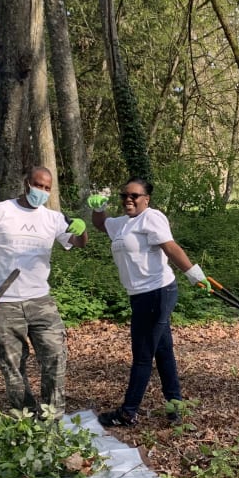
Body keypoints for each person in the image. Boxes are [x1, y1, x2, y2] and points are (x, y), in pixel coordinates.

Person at [0, 166, 88, 418]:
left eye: (47, 188)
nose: (41, 191)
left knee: (55, 357)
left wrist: (81, 231)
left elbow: (76, 243)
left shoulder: (53, 218)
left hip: (40, 300)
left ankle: (52, 416)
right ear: (26, 182)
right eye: (38, 185)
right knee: (11, 365)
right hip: (3, 302)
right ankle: (25, 416)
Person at [87, 177, 211, 427]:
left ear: (146, 199)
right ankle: (175, 405)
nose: (128, 200)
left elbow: (170, 247)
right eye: (124, 196)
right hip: (139, 295)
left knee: (143, 356)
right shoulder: (122, 223)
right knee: (163, 351)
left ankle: (127, 412)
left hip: (157, 292)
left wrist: (194, 274)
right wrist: (98, 208)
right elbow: (101, 225)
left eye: (134, 195)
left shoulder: (151, 217)